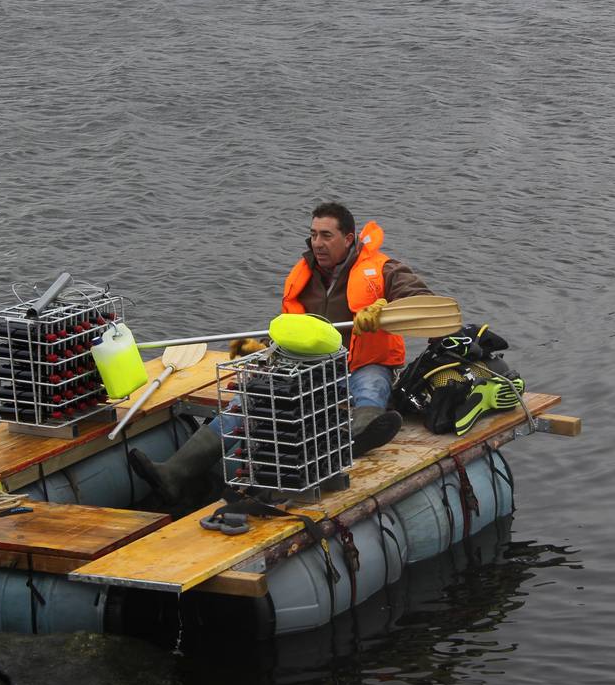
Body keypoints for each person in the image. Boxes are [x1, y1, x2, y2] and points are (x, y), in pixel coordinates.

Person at [129, 201, 433, 507]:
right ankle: (174, 472)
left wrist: (384, 307)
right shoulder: (302, 274)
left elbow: (424, 301)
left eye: (326, 235)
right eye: (313, 235)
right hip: (312, 366)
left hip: (363, 365)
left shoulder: (384, 269)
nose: (317, 243)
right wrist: (264, 345)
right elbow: (288, 327)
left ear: (349, 239)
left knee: (371, 388)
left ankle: (357, 436)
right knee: (247, 400)